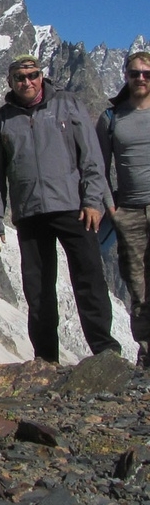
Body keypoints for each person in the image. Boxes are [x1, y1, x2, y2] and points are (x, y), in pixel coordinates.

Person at [0, 54, 121, 363]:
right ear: (10, 82)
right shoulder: (0, 120)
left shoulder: (68, 103)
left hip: (73, 208)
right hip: (30, 212)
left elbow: (91, 158)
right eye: (20, 77)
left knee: (89, 279)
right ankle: (46, 360)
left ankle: (106, 351)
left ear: (41, 76)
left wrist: (92, 201)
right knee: (38, 290)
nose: (27, 82)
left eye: (32, 75)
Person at [96, 50, 150, 367]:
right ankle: (146, 354)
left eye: (146, 73)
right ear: (126, 76)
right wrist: (110, 209)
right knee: (138, 286)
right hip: (128, 211)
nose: (141, 78)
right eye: (135, 73)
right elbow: (98, 167)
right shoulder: (112, 118)